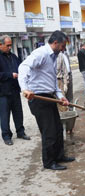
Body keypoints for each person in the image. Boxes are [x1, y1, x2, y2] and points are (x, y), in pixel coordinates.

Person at [18, 30, 75, 171]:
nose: (64, 49)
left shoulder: (54, 57)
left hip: (49, 97)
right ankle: (49, 162)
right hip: (38, 98)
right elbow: (23, 67)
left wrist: (61, 97)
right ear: (55, 43)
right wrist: (25, 89)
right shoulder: (41, 53)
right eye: (62, 46)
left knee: (57, 129)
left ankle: (59, 156)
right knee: (49, 131)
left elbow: (52, 82)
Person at [0, 35, 30, 146]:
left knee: (18, 113)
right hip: (3, 92)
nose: (10, 47)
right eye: (7, 45)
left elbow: (20, 68)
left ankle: (20, 132)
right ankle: (6, 136)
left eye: (10, 45)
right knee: (4, 115)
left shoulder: (13, 56)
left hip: (14, 90)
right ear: (0, 45)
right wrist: (10, 75)